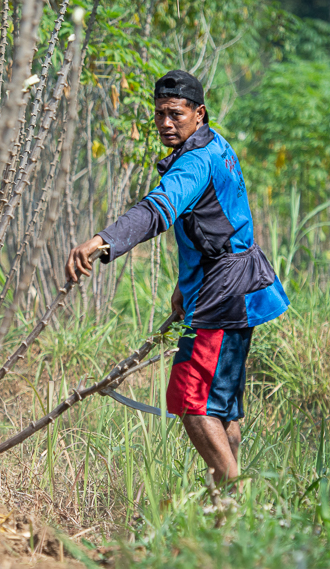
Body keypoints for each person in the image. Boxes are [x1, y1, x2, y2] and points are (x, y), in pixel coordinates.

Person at [66, 70, 289, 488]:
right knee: (222, 407)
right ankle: (224, 511)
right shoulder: (218, 146)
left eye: (176, 114)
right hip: (232, 285)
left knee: (191, 402)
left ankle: (231, 491)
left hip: (222, 294)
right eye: (159, 115)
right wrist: (185, 287)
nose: (166, 124)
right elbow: (218, 226)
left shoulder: (194, 162)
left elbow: (157, 210)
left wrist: (102, 240)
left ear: (199, 113)